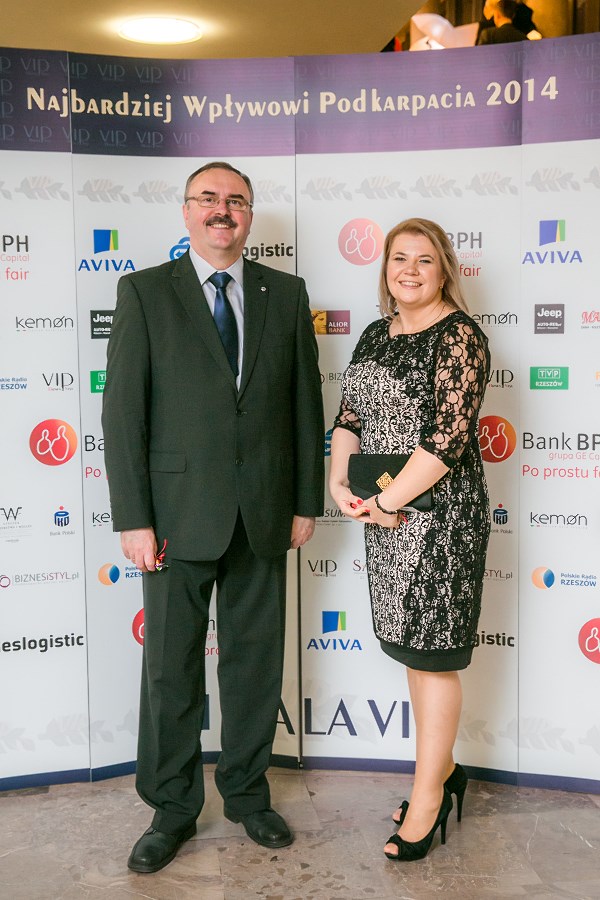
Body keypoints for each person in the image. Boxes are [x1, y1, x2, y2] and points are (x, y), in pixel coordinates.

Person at [102, 161, 324, 873]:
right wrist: (133, 518)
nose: (222, 210)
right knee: (171, 669)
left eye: (236, 200)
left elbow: (305, 406)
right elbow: (123, 415)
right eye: (208, 198)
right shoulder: (143, 292)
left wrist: (304, 502)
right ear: (187, 211)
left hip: (263, 512)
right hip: (172, 517)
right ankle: (171, 808)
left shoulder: (285, 294)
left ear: (250, 216)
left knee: (255, 665)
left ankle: (248, 795)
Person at [329, 218, 490, 861]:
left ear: (444, 269)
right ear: (386, 269)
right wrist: (340, 481)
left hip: (441, 520)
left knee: (436, 658)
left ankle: (427, 801)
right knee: (413, 657)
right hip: (385, 519)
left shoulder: (461, 337)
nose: (410, 270)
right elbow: (350, 416)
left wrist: (386, 502)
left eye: (424, 259)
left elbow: (447, 441)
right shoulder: (376, 333)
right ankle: (442, 775)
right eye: (400, 258)